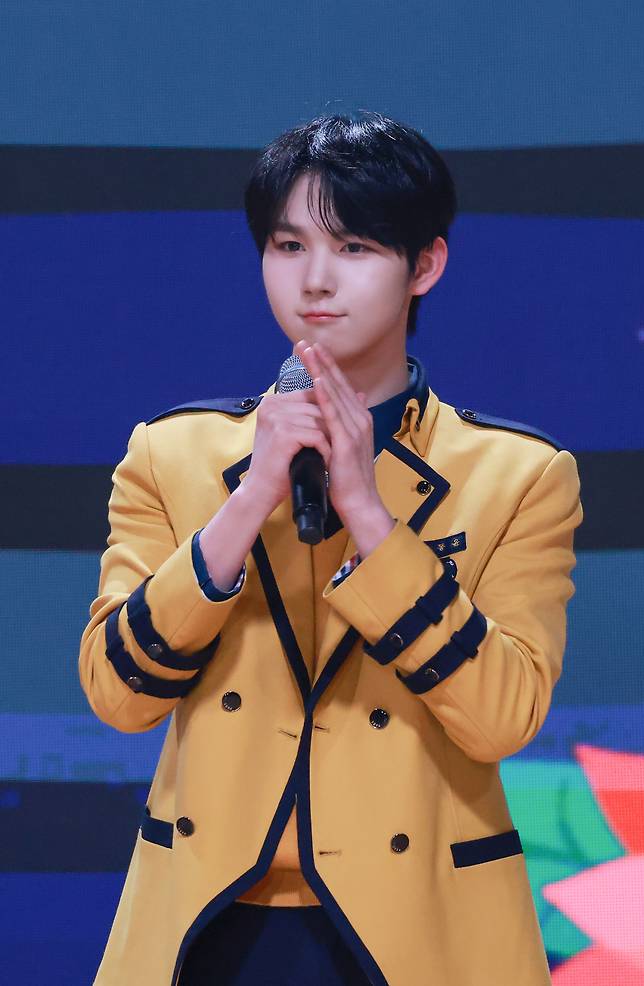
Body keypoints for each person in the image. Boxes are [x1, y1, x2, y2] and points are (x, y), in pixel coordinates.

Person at [79, 110, 583, 985]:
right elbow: (118, 694)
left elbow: (503, 716)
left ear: (424, 265)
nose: (315, 279)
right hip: (209, 920)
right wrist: (248, 500)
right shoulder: (171, 455)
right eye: (288, 246)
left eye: (353, 248)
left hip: (422, 928)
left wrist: (368, 514)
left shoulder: (519, 475)